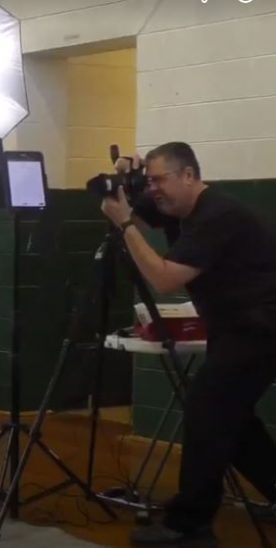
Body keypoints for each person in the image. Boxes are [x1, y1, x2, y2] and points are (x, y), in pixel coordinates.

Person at [100, 142, 276, 545]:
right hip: (238, 327)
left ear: (189, 176)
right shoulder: (182, 209)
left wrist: (125, 224)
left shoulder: (216, 215)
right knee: (233, 420)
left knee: (206, 410)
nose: (154, 189)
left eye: (160, 180)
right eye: (150, 181)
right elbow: (137, 208)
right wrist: (125, 180)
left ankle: (190, 523)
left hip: (260, 328)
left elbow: (163, 279)